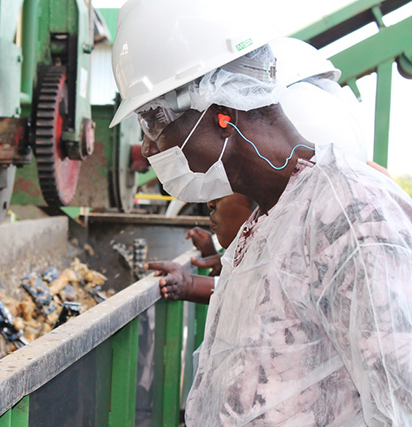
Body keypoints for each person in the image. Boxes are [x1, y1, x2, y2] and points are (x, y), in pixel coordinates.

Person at [110, 0, 412, 425]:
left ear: (221, 113)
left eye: (154, 122)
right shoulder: (267, 220)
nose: (149, 147)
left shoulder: (352, 217)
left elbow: (401, 401)